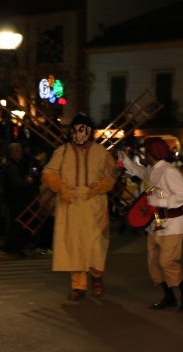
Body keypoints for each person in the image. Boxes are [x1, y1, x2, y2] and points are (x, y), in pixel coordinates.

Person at [42, 114, 117, 301]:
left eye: (83, 129)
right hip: (71, 205)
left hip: (94, 206)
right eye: (75, 129)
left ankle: (97, 279)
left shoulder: (101, 153)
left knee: (95, 245)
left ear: (90, 131)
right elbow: (49, 172)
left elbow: (111, 176)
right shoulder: (63, 151)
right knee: (73, 244)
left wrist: (101, 186)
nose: (79, 134)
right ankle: (78, 286)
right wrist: (60, 187)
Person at [118, 137, 183, 311]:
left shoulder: (169, 171)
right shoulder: (154, 169)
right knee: (154, 262)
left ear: (152, 152)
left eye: (146, 150)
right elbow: (140, 172)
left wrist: (160, 202)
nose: (144, 153)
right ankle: (169, 297)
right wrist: (125, 160)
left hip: (173, 223)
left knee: (166, 261)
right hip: (156, 222)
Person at [2, 142, 38, 255]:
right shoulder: (11, 166)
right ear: (12, 152)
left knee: (17, 222)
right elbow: (16, 182)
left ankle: (15, 246)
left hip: (16, 197)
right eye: (18, 151)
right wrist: (27, 181)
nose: (20, 153)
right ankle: (14, 246)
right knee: (16, 222)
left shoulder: (15, 165)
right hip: (16, 198)